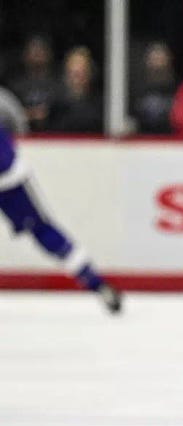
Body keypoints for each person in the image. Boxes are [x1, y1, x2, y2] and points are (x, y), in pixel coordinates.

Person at [1, 123, 122, 313]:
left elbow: (5, 161)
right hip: (10, 180)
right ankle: (95, 282)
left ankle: (94, 281)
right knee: (42, 230)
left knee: (42, 231)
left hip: (9, 182)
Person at [11, 35, 63, 133]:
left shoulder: (58, 84)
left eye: (41, 50)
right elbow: (9, 110)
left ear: (49, 54)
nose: (37, 55)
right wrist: (26, 114)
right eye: (33, 51)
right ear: (25, 55)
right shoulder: (15, 85)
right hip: (22, 134)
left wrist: (49, 113)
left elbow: (65, 112)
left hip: (54, 134)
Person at [46, 47, 103, 134]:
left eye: (81, 73)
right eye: (72, 73)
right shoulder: (56, 106)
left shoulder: (101, 105)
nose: (76, 80)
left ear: (90, 74)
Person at [131, 42, 176, 135]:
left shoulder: (178, 89)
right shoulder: (136, 90)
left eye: (161, 59)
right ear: (147, 62)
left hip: (171, 141)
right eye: (154, 59)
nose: (157, 65)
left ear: (169, 61)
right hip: (142, 141)